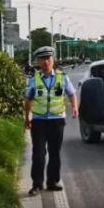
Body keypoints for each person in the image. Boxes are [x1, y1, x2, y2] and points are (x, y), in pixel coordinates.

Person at [24, 46, 78, 196]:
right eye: (42, 59)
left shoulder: (63, 77)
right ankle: (37, 184)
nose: (45, 62)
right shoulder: (33, 79)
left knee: (55, 153)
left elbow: (72, 93)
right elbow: (28, 99)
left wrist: (74, 107)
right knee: (38, 153)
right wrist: (26, 118)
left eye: (48, 58)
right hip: (39, 121)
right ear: (38, 61)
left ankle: (52, 182)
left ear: (53, 60)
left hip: (57, 121)